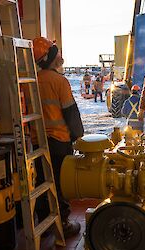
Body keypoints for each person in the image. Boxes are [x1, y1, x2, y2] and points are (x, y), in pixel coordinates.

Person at [32, 37, 84, 237]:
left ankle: (44, 225)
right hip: (60, 142)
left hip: (38, 142)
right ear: (51, 57)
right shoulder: (59, 81)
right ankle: (62, 223)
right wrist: (78, 135)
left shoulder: (32, 80)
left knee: (42, 182)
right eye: (56, 51)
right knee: (60, 184)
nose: (60, 54)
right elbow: (70, 113)